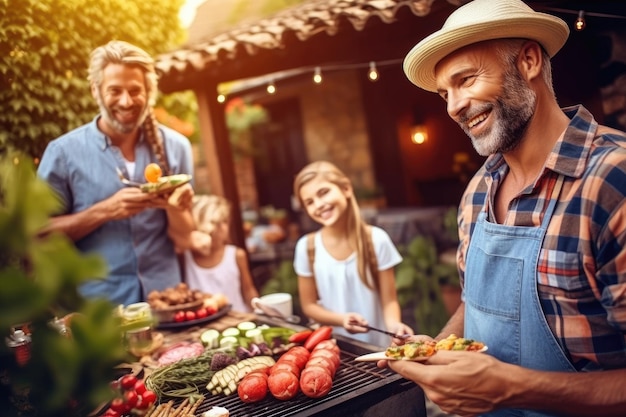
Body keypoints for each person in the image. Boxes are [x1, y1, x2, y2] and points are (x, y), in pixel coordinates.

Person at [381, 0, 626, 416]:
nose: (454, 106)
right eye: (445, 93)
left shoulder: (613, 180)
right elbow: (474, 303)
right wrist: (440, 347)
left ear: (529, 60)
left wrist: (512, 389)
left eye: (467, 80)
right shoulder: (477, 191)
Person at [37, 40, 195, 307]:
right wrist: (106, 211)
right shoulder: (63, 153)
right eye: (115, 90)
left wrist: (176, 207)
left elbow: (184, 239)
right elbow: (37, 235)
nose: (126, 101)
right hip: (98, 314)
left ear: (149, 92)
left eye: (135, 91)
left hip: (168, 304)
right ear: (96, 91)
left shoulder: (175, 147)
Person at [292, 160, 413, 347]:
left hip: (378, 346)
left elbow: (389, 301)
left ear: (346, 188)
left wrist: (394, 325)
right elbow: (309, 306)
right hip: (333, 349)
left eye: (323, 193)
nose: (319, 205)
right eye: (309, 202)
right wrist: (341, 319)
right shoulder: (306, 247)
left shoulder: (377, 240)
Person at [179, 194, 259, 313]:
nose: (224, 228)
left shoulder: (236, 255)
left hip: (238, 319)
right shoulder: (186, 257)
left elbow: (248, 290)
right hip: (203, 325)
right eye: (218, 223)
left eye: (225, 222)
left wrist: (260, 312)